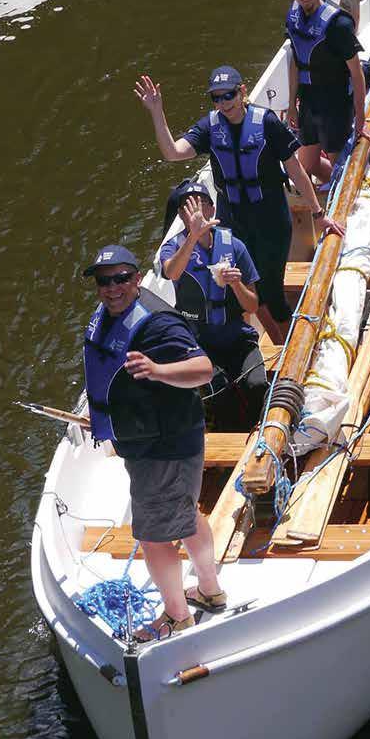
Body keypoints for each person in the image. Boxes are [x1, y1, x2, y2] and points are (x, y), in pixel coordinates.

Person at [134, 65, 343, 344]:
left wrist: (318, 213)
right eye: (217, 98)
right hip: (231, 221)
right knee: (232, 289)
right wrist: (156, 112)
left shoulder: (267, 123)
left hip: (270, 220)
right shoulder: (210, 127)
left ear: (242, 91)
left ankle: (289, 349)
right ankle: (250, 344)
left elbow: (295, 170)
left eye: (229, 95)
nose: (224, 103)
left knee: (271, 292)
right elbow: (173, 153)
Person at [81, 244, 225, 642]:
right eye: (104, 281)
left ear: (138, 278)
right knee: (186, 514)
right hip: (146, 442)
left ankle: (178, 618)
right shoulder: (110, 316)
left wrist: (159, 370)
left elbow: (203, 368)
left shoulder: (158, 324)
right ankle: (210, 592)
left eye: (122, 278)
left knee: (154, 535)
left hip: (164, 447)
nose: (113, 288)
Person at [159, 180, 268, 427]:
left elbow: (252, 306)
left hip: (235, 335)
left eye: (201, 204)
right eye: (187, 206)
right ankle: (227, 433)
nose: (195, 211)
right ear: (181, 214)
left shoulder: (234, 247)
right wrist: (194, 237)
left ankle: (256, 428)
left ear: (211, 209)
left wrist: (236, 284)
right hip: (199, 342)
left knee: (257, 385)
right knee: (220, 392)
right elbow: (172, 272)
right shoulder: (173, 249)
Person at [285, 0, 368, 181]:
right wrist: (292, 104)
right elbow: (295, 60)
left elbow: (357, 73)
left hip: (335, 104)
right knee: (307, 164)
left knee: (339, 164)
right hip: (309, 100)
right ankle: (336, 188)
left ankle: (347, 192)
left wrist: (361, 118)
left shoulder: (337, 25)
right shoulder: (293, 17)